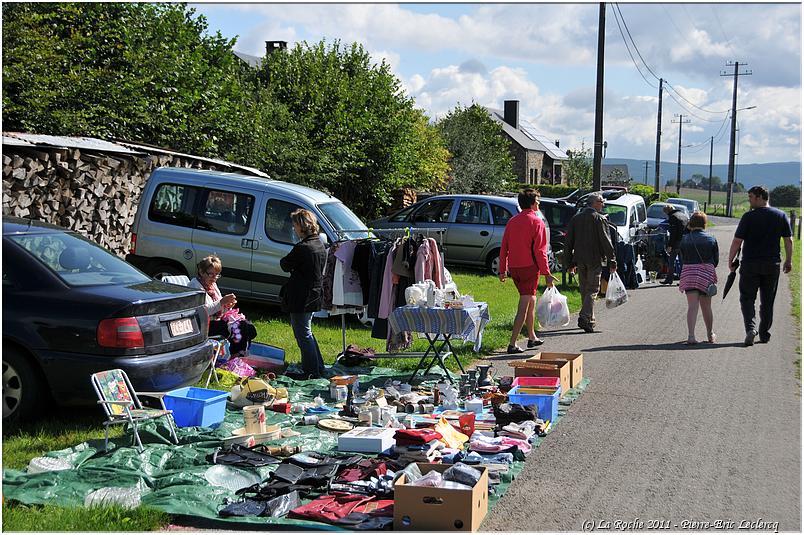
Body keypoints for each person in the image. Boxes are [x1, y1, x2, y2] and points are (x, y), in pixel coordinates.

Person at [727, 185, 793, 347]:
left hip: (750, 264)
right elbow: (788, 240)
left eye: (750, 197)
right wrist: (788, 260)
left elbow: (737, 241)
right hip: (772, 264)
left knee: (747, 298)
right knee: (768, 300)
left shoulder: (748, 217)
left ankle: (751, 328)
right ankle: (764, 334)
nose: (749, 200)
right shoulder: (780, 215)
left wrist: (730, 260)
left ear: (759, 197)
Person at [499, 188, 555, 353]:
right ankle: (512, 343)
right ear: (532, 203)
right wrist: (547, 273)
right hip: (530, 268)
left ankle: (532, 337)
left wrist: (502, 270)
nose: (539, 204)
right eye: (537, 201)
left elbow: (504, 248)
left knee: (531, 301)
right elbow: (540, 251)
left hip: (515, 268)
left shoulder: (512, 221)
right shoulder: (537, 222)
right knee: (524, 305)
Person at [280, 208, 328, 378]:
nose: (294, 229)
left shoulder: (303, 247)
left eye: (295, 225)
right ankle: (318, 366)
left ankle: (311, 371)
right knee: (307, 332)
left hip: (302, 296)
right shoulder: (318, 244)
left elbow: (285, 264)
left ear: (301, 226)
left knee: (303, 334)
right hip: (313, 294)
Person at [563, 193, 617, 333]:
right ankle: (584, 316)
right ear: (594, 203)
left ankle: (589, 320)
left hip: (580, 259)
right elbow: (606, 241)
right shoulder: (599, 219)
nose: (603, 204)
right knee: (593, 289)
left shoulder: (576, 218)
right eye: (601, 201)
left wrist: (569, 262)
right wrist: (612, 260)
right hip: (594, 259)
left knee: (584, 289)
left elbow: (568, 243)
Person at [678, 211, 719, 344]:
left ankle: (691, 336)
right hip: (706, 273)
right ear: (704, 223)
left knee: (692, 306)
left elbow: (681, 258)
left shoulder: (684, 239)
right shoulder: (711, 239)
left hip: (689, 272)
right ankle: (710, 334)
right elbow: (716, 261)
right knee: (706, 306)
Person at [189, 255, 237, 338]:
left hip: (216, 321)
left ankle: (239, 350)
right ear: (201, 272)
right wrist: (222, 302)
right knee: (239, 328)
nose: (214, 278)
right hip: (203, 325)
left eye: (217, 275)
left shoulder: (212, 285)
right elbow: (202, 311)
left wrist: (228, 305)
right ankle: (237, 350)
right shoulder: (194, 286)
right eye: (211, 274)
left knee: (249, 328)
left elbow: (219, 308)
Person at [660, 204, 689, 285]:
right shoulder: (684, 215)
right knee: (683, 261)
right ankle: (684, 280)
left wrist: (670, 245)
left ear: (667, 211)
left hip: (677, 242)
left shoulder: (673, 217)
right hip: (685, 241)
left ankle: (669, 279)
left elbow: (673, 233)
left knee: (671, 261)